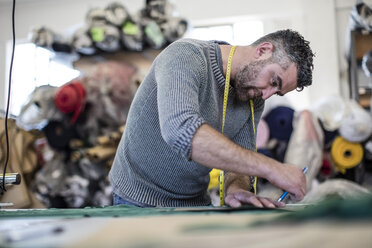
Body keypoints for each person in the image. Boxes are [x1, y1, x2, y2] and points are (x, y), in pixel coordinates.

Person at [109, 29, 315, 208]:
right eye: (273, 81)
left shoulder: (253, 97)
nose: (267, 95)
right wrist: (273, 169)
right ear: (263, 51)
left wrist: (237, 189)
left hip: (194, 201)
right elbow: (180, 130)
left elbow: (240, 163)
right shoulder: (185, 56)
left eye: (276, 93)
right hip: (138, 198)